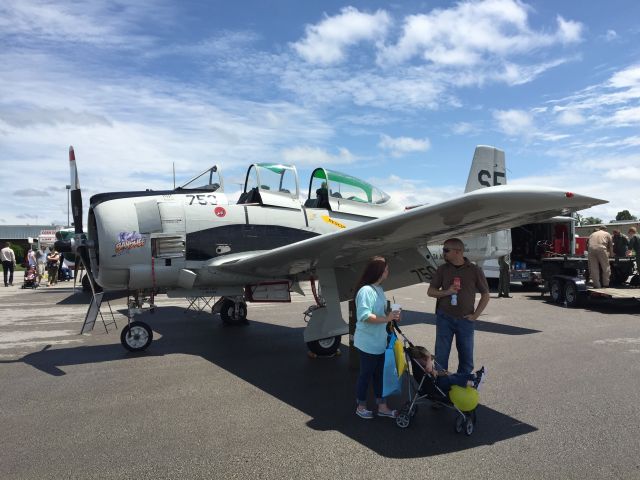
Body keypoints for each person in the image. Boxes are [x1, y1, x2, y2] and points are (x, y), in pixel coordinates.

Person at [427, 238, 490, 375]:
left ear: (457, 251)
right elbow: (430, 291)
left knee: (466, 359)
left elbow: (485, 294)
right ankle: (441, 388)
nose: (443, 253)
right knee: (441, 357)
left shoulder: (474, 270)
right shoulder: (442, 269)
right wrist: (447, 292)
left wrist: (475, 315)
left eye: (446, 250)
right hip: (444, 318)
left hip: (465, 320)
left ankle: (463, 386)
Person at [353, 256, 401, 420]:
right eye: (386, 269)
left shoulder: (378, 289)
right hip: (368, 342)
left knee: (379, 375)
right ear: (379, 272)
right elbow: (364, 316)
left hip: (379, 341)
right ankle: (361, 406)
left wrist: (391, 316)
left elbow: (380, 314)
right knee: (365, 375)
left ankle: (382, 407)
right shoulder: (366, 290)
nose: (388, 272)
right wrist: (387, 319)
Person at [408, 346, 486, 392]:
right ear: (418, 359)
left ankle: (474, 376)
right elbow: (429, 370)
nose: (428, 360)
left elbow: (435, 373)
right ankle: (473, 384)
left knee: (454, 375)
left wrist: (443, 373)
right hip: (435, 386)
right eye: (425, 359)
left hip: (437, 381)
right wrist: (428, 359)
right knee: (452, 378)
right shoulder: (424, 367)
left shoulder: (423, 364)